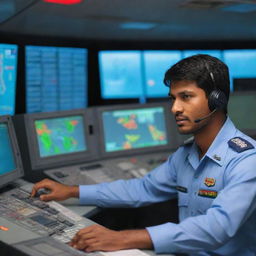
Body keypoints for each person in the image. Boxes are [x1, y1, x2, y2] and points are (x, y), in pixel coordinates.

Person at [31, 54, 256, 255]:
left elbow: (217, 228)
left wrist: (122, 238)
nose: (175, 108)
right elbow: (143, 189)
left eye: (186, 97)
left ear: (218, 100)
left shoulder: (246, 160)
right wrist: (72, 191)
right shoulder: (186, 154)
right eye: (173, 98)